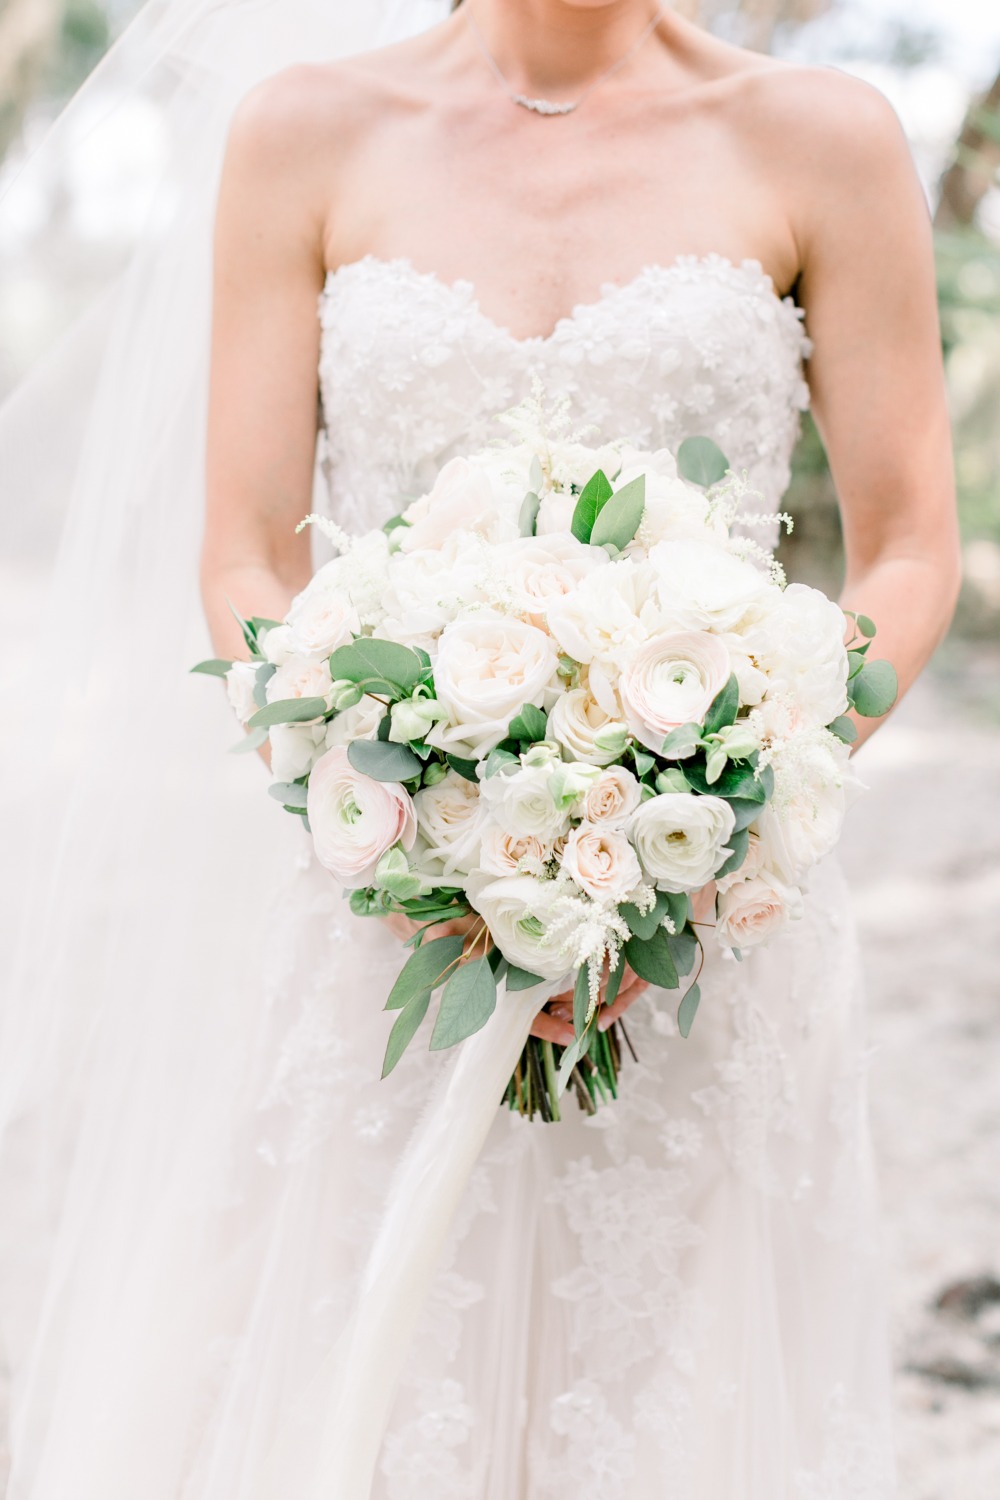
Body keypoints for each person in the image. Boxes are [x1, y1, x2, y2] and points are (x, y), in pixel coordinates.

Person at [0, 1, 960, 1495]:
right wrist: (396, 818)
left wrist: (715, 800)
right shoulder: (304, 133)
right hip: (383, 914)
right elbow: (248, 556)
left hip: (711, 921)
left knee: (671, 1391)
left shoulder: (820, 138)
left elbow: (909, 554)